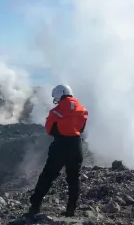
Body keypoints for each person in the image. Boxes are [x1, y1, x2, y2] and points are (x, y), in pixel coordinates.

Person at [27, 84, 88, 218]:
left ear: (60, 95)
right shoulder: (83, 110)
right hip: (76, 145)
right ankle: (71, 211)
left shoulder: (55, 112)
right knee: (74, 178)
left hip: (60, 146)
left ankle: (35, 207)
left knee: (47, 176)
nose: (56, 100)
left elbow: (50, 130)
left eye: (56, 98)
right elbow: (81, 129)